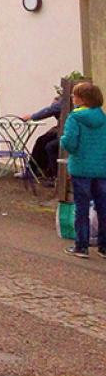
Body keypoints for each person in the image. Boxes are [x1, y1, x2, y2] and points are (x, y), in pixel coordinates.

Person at [60, 82, 106, 258]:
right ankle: (104, 245)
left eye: (74, 95)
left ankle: (82, 245)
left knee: (82, 208)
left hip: (81, 168)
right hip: (102, 169)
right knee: (103, 208)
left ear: (83, 99)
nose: (72, 98)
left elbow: (70, 142)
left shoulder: (75, 117)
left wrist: (63, 141)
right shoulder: (103, 118)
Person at [22, 94, 63, 181]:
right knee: (42, 140)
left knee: (49, 146)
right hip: (61, 131)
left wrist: (31, 116)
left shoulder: (66, 101)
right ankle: (36, 170)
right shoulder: (66, 101)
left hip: (65, 133)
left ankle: (53, 175)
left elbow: (50, 110)